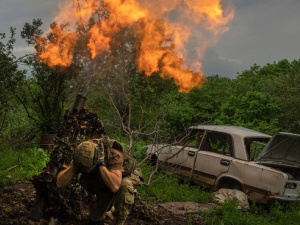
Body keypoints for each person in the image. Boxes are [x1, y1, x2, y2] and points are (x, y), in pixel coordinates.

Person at [56, 138, 141, 225]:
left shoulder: (114, 154)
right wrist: (74, 166)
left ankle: (120, 220)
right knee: (95, 218)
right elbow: (60, 183)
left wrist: (101, 164)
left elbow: (115, 186)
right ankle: (109, 208)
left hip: (125, 174)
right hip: (108, 177)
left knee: (125, 185)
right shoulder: (82, 152)